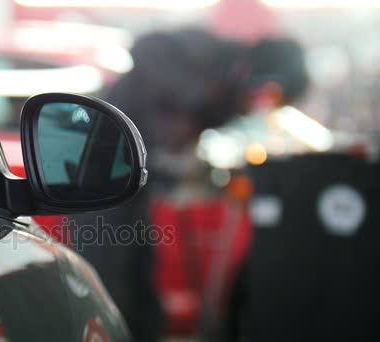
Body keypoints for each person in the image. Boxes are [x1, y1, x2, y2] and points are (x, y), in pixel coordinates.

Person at [71, 29, 309, 342]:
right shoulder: (208, 52)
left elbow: (179, 142)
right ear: (254, 70)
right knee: (108, 281)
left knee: (143, 278)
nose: (262, 104)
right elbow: (144, 46)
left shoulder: (230, 97)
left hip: (138, 183)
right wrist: (200, 96)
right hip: (98, 171)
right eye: (267, 92)